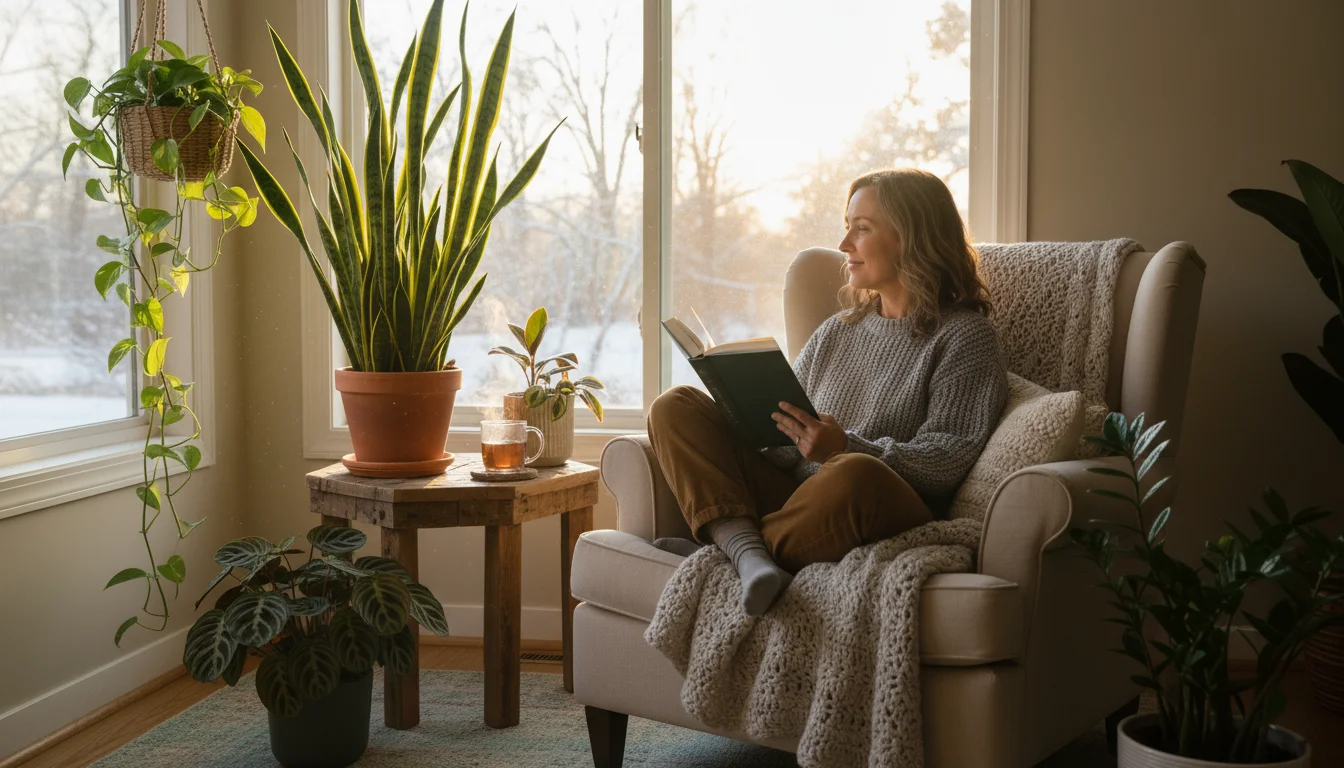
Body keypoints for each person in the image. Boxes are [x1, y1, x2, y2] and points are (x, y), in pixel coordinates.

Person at [646, 168, 1010, 616]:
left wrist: (843, 447)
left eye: (862, 229)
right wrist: (746, 414)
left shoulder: (964, 337)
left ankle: (733, 552)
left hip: (875, 504)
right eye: (846, 228)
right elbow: (783, 448)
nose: (844, 246)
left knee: (854, 472)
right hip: (799, 500)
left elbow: (948, 460)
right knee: (673, 405)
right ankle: (749, 557)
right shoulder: (837, 332)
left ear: (911, 238)